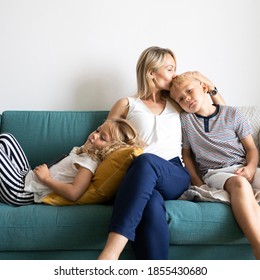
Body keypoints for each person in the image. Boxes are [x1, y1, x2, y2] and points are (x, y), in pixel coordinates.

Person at [98, 46, 225, 260]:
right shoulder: (127, 104)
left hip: (173, 173)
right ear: (151, 73)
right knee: (149, 205)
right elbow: (101, 142)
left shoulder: (179, 102)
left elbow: (220, 115)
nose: (175, 74)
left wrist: (209, 85)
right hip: (137, 175)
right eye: (169, 69)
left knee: (146, 160)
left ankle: (110, 255)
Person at [170, 73, 260, 259]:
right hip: (216, 173)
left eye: (189, 90)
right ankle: (257, 246)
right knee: (240, 184)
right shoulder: (186, 121)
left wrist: (251, 168)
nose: (186, 98)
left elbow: (251, 148)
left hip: (242, 166)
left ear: (204, 88)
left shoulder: (233, 113)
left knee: (246, 179)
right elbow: (186, 155)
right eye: (180, 98)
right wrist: (197, 181)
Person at [0, 118, 145, 206]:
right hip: (25, 176)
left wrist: (46, 178)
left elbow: (74, 193)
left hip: (21, 190)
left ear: (112, 148)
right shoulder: (85, 152)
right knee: (6, 138)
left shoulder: (90, 162)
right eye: (97, 130)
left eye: (102, 138)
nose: (94, 136)